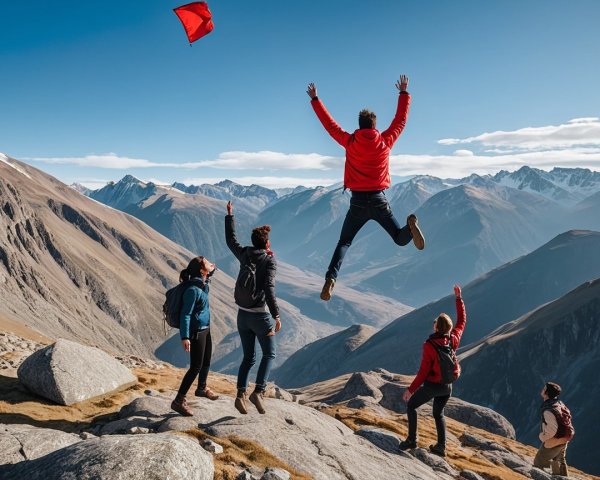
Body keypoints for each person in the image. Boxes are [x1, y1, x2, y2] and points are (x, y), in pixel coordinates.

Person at [306, 75, 425, 301]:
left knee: (344, 242)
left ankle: (331, 277)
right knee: (399, 239)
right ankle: (410, 228)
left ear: (359, 126)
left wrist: (315, 99)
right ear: (374, 126)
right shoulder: (385, 141)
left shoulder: (350, 141)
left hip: (358, 203)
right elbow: (401, 121)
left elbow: (330, 125)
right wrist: (403, 94)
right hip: (379, 200)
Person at [225, 200, 281, 415]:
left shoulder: (245, 254)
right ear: (267, 244)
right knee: (269, 354)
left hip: (242, 316)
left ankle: (240, 395)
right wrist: (276, 314)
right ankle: (258, 392)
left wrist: (230, 215)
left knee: (248, 357)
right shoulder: (269, 261)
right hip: (260, 317)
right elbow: (268, 288)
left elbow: (230, 240)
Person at [399, 285, 466, 457]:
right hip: (447, 386)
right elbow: (462, 321)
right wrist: (459, 299)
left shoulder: (429, 346)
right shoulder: (453, 339)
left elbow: (423, 372)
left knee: (412, 406)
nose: (434, 324)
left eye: (435, 323)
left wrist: (410, 390)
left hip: (433, 385)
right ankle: (441, 447)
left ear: (436, 328)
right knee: (438, 413)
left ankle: (412, 439)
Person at [171, 256, 219, 416]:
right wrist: (185, 337)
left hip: (205, 328)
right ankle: (179, 400)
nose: (209, 263)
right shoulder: (192, 290)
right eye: (206, 263)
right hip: (196, 331)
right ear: (201, 270)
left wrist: (211, 269)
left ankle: (201, 388)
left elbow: (208, 276)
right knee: (195, 367)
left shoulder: (202, 283)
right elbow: (186, 314)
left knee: (206, 361)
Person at [533, 382, 573, 477]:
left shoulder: (548, 410)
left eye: (544, 389)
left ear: (547, 393)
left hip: (555, 439)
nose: (542, 390)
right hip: (566, 437)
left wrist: (542, 437)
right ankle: (562, 477)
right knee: (559, 461)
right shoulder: (559, 403)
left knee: (538, 463)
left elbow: (552, 430)